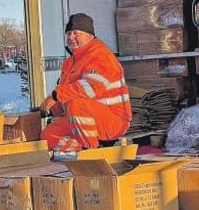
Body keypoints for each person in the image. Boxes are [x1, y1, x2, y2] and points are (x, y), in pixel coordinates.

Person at [39, 13, 132, 152]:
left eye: (76, 33)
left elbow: (90, 88)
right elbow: (66, 93)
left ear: (90, 35)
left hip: (113, 121)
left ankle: (91, 151)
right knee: (48, 136)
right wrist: (51, 109)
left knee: (77, 103)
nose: (71, 37)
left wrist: (55, 96)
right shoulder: (69, 63)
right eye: (68, 33)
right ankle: (76, 154)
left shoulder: (101, 56)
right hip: (83, 117)